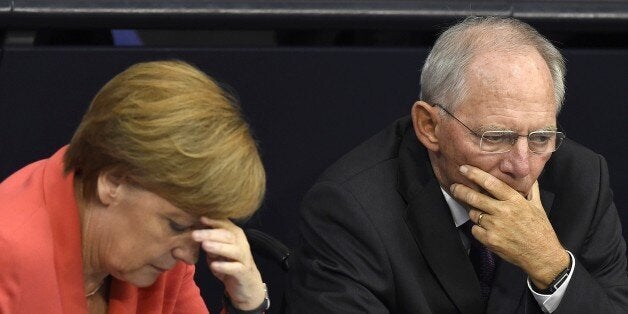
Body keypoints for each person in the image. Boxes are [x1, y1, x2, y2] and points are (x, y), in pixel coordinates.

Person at [287, 16, 628, 313]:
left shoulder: (582, 180)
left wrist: (552, 268)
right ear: (429, 126)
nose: (522, 166)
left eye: (540, 137)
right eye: (495, 137)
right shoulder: (351, 209)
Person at [0, 60, 271, 313]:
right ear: (113, 180)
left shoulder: (161, 255)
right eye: (177, 224)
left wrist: (247, 303)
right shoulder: (8, 252)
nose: (189, 257)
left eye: (202, 230)